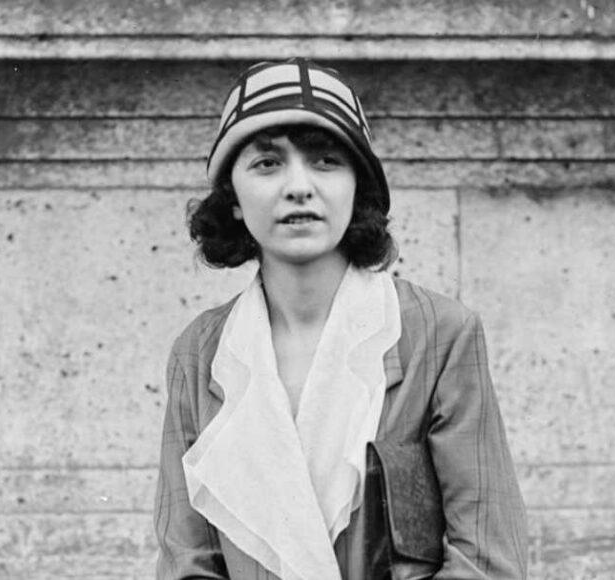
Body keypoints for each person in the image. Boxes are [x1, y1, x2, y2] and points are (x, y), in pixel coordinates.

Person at [154, 58, 527, 580]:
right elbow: (187, 562)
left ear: (359, 187)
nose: (299, 186)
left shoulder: (438, 335)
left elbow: (488, 559)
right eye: (267, 164)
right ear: (233, 200)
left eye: (326, 161)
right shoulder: (200, 354)